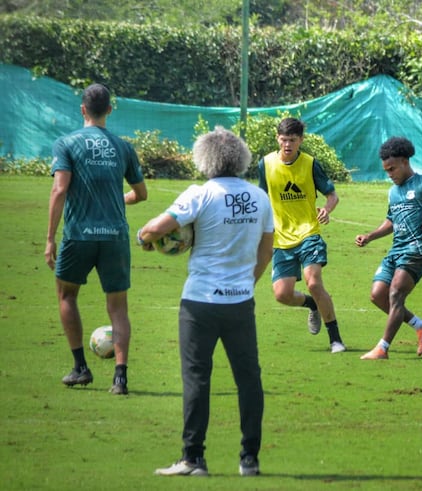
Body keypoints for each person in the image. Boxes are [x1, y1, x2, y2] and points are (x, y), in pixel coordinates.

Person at [141, 127, 273, 477]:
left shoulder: (200, 194)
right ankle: (250, 460)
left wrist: (144, 236)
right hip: (240, 303)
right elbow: (267, 248)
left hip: (200, 303)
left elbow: (154, 229)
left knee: (197, 378)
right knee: (249, 379)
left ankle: (193, 459)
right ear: (241, 158)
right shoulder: (260, 197)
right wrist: (247, 282)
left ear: (205, 159)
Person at [45, 83, 147, 395]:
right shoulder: (123, 146)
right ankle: (120, 378)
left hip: (79, 235)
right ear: (109, 110)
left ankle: (80, 368)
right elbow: (141, 194)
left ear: (83, 109)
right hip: (115, 236)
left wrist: (50, 238)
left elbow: (60, 189)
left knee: (67, 296)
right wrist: (117, 200)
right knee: (117, 308)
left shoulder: (67, 143)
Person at [355, 136, 422, 360]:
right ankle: (421, 326)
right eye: (386, 171)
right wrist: (370, 236)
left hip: (417, 251)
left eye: (392, 169)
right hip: (396, 251)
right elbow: (391, 221)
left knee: (395, 294)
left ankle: (382, 348)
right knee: (377, 295)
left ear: (404, 161)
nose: (390, 174)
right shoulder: (393, 192)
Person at [257, 117, 345, 353]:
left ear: (301, 141)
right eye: (284, 139)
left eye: (292, 140)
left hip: (309, 233)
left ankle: (335, 339)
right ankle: (312, 306)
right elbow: (262, 199)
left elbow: (332, 195)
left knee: (314, 282)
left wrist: (327, 209)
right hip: (280, 239)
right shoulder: (265, 165)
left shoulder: (310, 164)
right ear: (278, 138)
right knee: (282, 295)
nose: (287, 145)